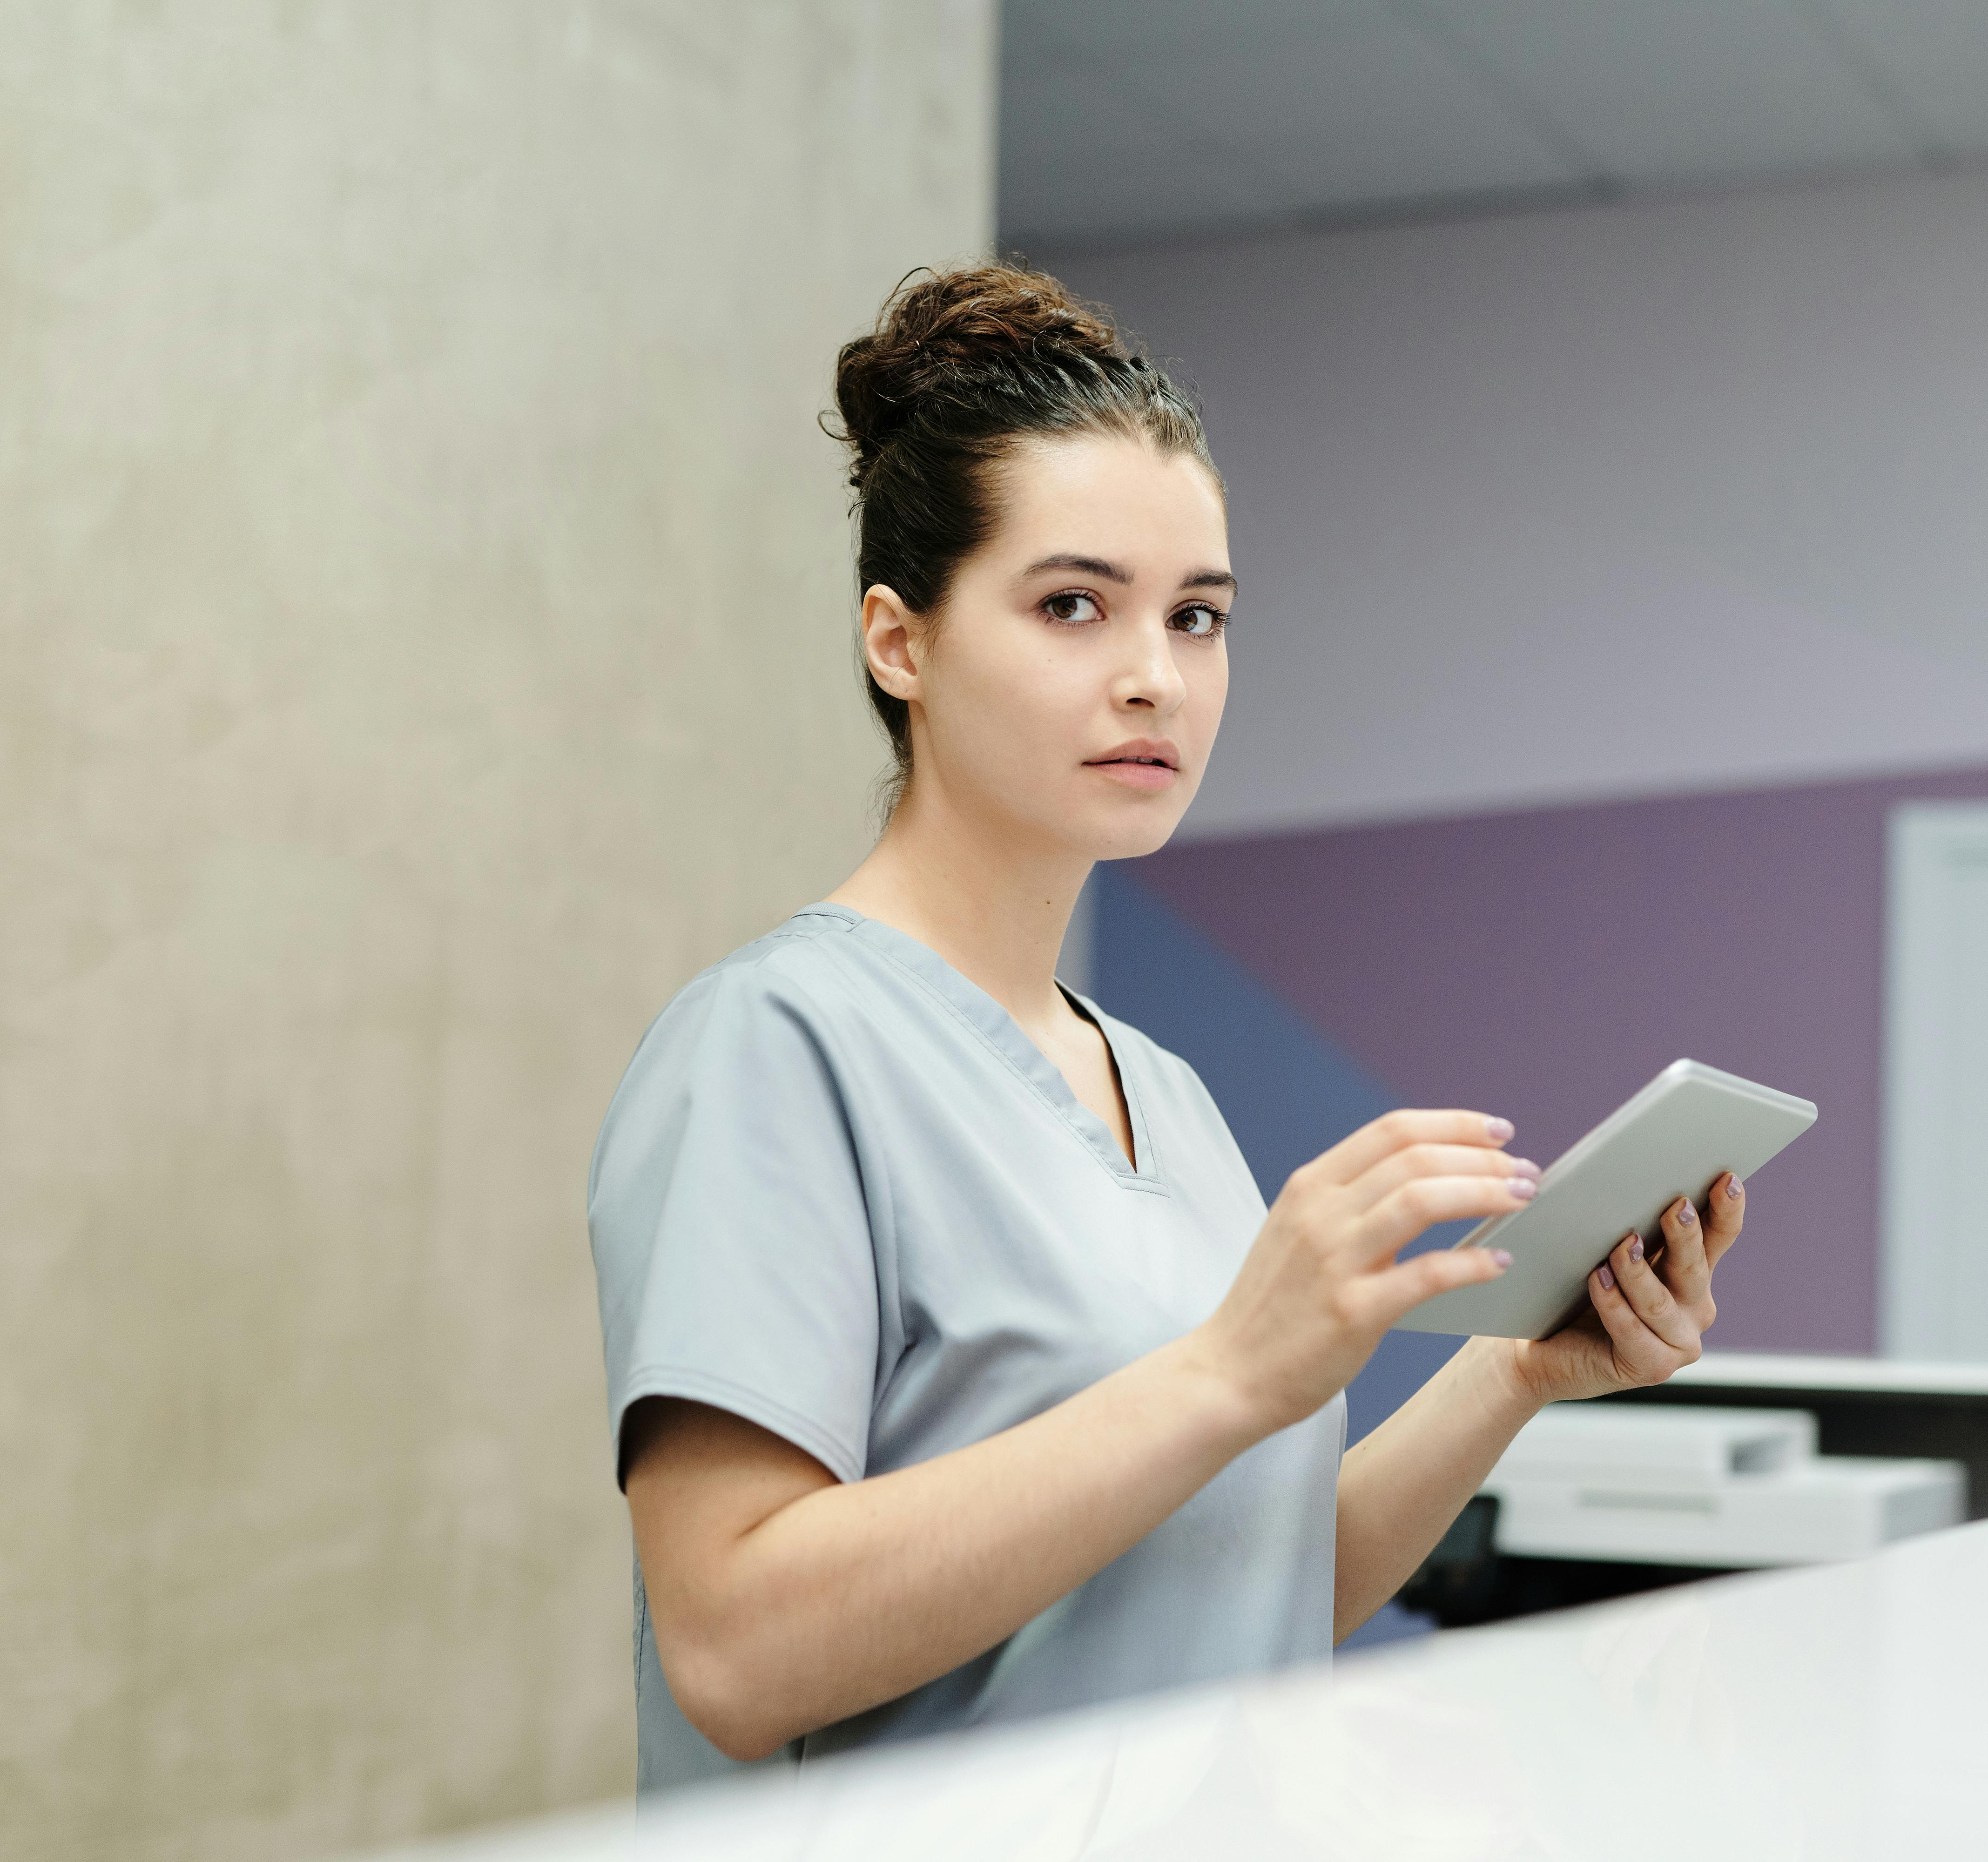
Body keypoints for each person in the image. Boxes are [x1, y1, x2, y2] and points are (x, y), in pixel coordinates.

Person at [586, 264, 1747, 1793]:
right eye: (1073, 604)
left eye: (1198, 618)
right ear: (900, 643)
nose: (1156, 677)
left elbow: (1233, 1600)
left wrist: (1514, 1373)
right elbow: (737, 1653)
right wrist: (1228, 1374)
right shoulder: (776, 1047)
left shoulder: (1165, 1096)